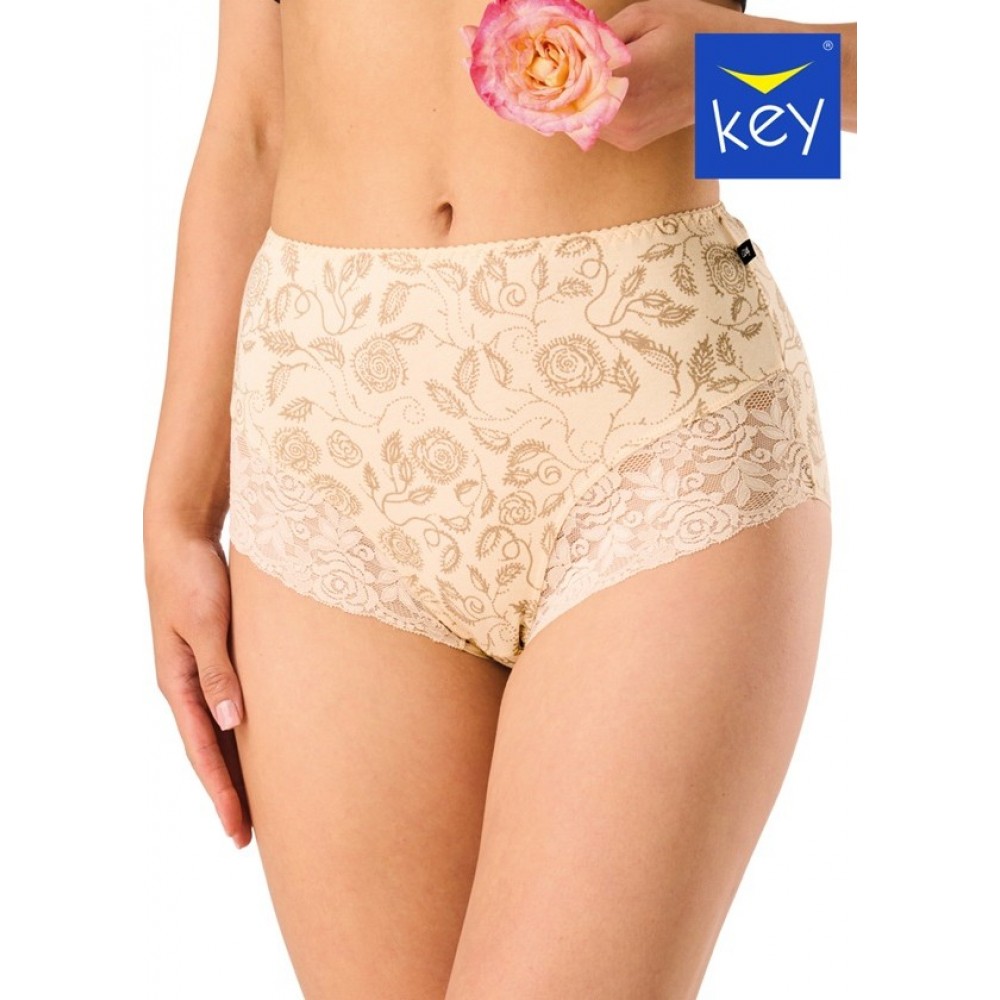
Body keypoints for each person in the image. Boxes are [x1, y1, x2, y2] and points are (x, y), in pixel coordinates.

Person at [143, 0, 858, 996]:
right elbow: (255, 122)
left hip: (651, 427)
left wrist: (725, 75)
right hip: (325, 448)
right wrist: (178, 510)